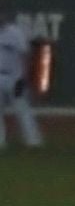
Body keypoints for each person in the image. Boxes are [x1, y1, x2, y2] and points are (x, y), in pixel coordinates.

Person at [0, 10, 44, 151]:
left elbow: (25, 55)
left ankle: (33, 141)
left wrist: (23, 78)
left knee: (23, 110)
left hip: (14, 78)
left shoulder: (14, 33)